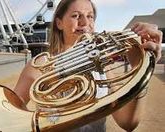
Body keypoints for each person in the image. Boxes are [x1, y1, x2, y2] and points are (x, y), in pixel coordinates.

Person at [13, 0, 163, 131]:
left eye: (90, 16)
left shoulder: (105, 66)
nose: (85, 23)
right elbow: (12, 115)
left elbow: (128, 122)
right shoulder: (39, 66)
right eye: (76, 16)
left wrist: (142, 67)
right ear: (59, 23)